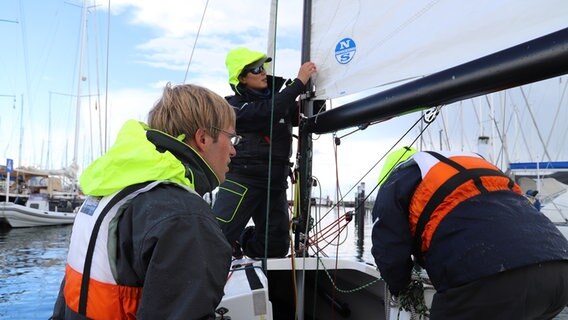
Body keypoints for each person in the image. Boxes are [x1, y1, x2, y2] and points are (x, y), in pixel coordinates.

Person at [51, 83, 235, 319]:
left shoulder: (104, 195)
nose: (233, 151)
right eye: (231, 138)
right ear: (203, 138)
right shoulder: (186, 217)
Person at [371, 147, 568, 319]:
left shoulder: (394, 182)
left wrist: (400, 287)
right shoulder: (471, 165)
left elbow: (388, 251)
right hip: (559, 270)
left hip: (489, 279)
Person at [213, 47, 317, 258]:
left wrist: (321, 89)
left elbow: (301, 112)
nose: (263, 72)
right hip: (243, 179)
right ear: (242, 78)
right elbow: (267, 112)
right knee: (215, 237)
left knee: (276, 245)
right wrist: (298, 84)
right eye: (256, 69)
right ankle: (227, 245)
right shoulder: (232, 107)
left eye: (263, 67)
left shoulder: (281, 102)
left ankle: (243, 241)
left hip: (275, 182)